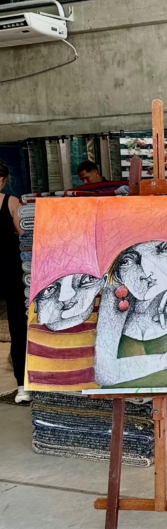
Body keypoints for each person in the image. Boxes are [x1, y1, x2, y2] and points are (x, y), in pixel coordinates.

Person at [95, 240, 167, 388]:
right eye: (127, 261)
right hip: (116, 398)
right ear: (117, 271)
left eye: (165, 249)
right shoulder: (116, 295)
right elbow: (104, 375)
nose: (146, 272)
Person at [26, 273, 105, 390]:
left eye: (88, 279)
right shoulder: (34, 333)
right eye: (49, 288)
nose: (65, 299)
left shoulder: (108, 306)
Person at [0, 159, 29, 403]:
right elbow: (25, 237)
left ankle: (22, 386)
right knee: (18, 327)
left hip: (11, 271)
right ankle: (22, 387)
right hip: (10, 269)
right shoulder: (11, 202)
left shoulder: (11, 202)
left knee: (18, 326)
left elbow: (25, 238)